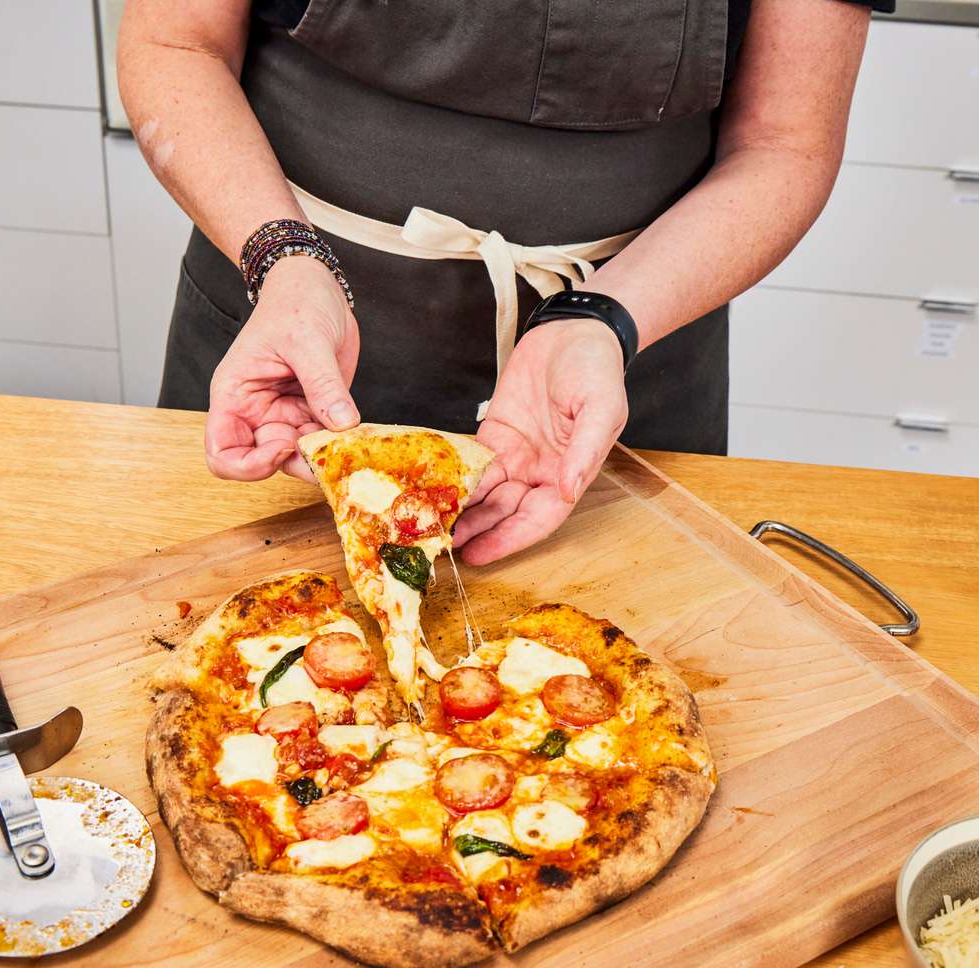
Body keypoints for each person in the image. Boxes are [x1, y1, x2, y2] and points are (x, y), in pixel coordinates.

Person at [118, 0, 884, 564]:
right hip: (288, 338)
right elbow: (173, 41)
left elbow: (786, 144)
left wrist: (603, 319)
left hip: (612, 372)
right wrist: (283, 260)